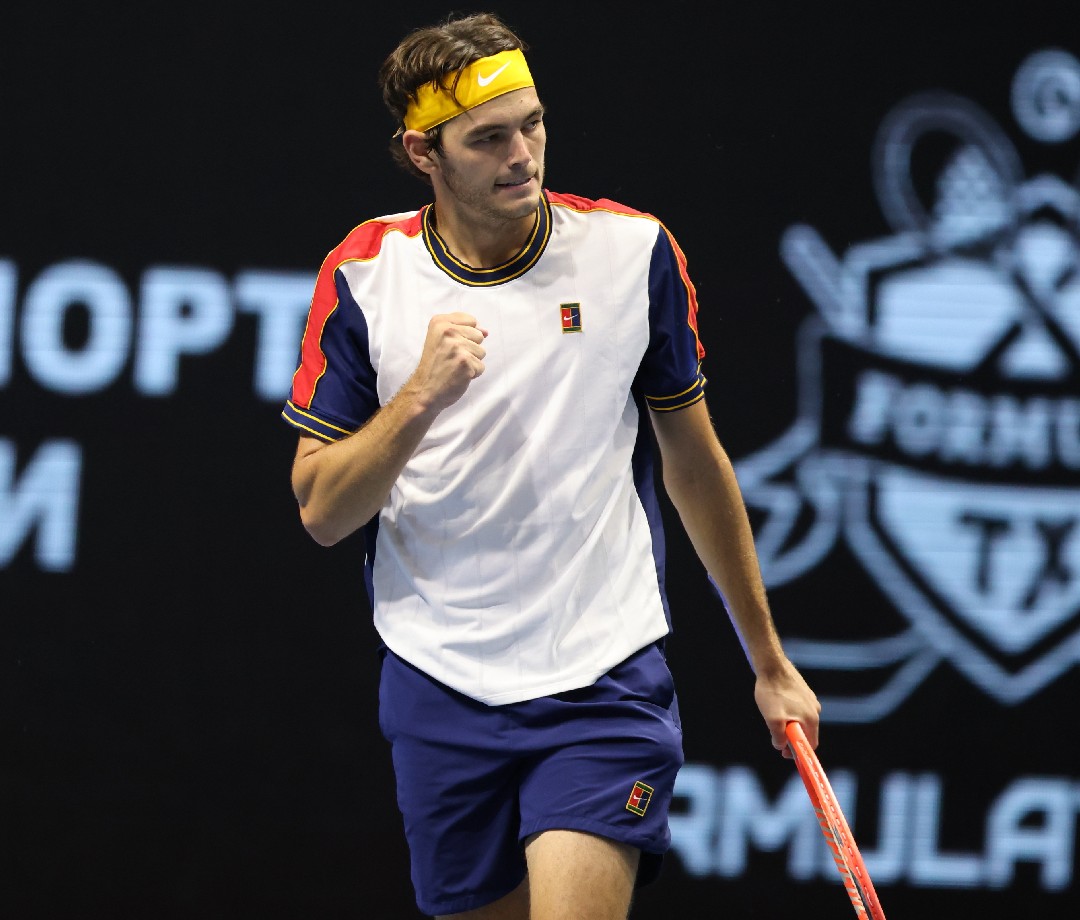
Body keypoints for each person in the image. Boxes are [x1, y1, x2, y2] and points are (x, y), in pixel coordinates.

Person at [282, 10, 820, 919]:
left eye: (531, 124)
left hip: (601, 676)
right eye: (487, 139)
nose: (522, 154)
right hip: (437, 678)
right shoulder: (365, 273)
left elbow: (693, 462)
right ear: (424, 154)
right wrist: (417, 398)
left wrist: (768, 660)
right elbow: (323, 512)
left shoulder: (631, 254)